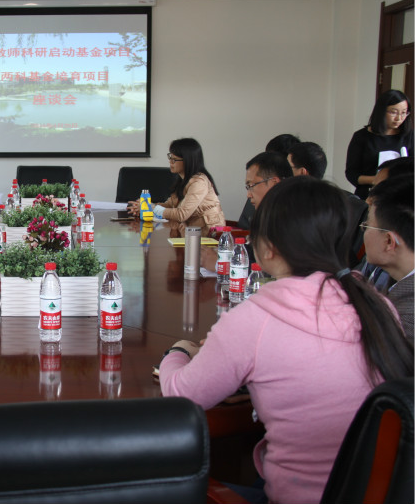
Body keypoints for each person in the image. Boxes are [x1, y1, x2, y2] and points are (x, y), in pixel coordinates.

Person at [160, 176, 413, 504]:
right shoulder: (375, 303)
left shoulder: (259, 315)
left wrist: (179, 350)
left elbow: (181, 394)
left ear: (267, 246)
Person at [127, 138, 225, 234]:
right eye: (170, 157)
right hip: (192, 232)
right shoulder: (183, 180)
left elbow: (181, 214)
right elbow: (170, 205)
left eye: (174, 159)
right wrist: (145, 207)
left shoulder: (199, 182)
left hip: (209, 234)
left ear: (187, 160)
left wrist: (151, 208)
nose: (170, 162)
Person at [363, 175, 414, 342]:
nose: (363, 232)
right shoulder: (399, 282)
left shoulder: (407, 321)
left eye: (366, 226)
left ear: (389, 241)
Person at [345, 89, 412, 200]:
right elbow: (352, 173)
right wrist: (377, 179)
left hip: (401, 197)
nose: (399, 118)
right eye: (393, 112)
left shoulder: (409, 136)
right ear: (381, 111)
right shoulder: (361, 136)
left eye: (404, 112)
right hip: (369, 196)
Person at [237, 134, 300, 229]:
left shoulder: (296, 219)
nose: (248, 195)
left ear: (275, 183)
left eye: (252, 186)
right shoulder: (260, 209)